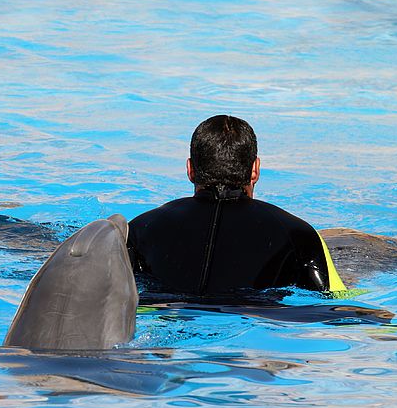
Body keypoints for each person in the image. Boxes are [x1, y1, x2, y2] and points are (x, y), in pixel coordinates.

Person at [127, 115, 346, 297]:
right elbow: (331, 302)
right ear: (255, 169)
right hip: (254, 320)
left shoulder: (139, 228)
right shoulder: (299, 234)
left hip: (166, 317)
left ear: (190, 169)